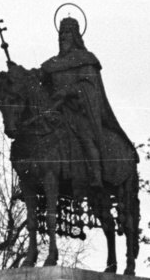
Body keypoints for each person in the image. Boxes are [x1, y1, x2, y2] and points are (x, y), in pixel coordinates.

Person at [27, 15, 131, 191]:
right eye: (61, 33)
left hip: (77, 111)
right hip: (56, 112)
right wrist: (19, 72)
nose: (63, 37)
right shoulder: (53, 63)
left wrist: (68, 91)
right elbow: (37, 77)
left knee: (85, 136)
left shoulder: (86, 59)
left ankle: (96, 174)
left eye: (67, 32)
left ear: (75, 35)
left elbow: (90, 86)